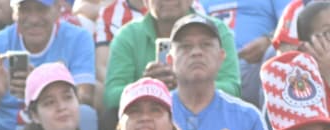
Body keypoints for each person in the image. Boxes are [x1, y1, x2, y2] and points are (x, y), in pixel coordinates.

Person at [0, 0, 97, 130]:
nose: (33, 19)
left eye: (41, 9)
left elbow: (85, 96)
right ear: (14, 12)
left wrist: (41, 85)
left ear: (58, 9)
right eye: (25, 10)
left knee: (86, 114)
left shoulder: (77, 38)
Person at [103, 0, 241, 109]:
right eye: (186, 45)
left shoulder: (217, 31)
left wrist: (189, 85)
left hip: (207, 112)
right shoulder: (128, 36)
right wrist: (147, 86)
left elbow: (233, 88)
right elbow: (111, 96)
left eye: (204, 44)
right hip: (149, 115)